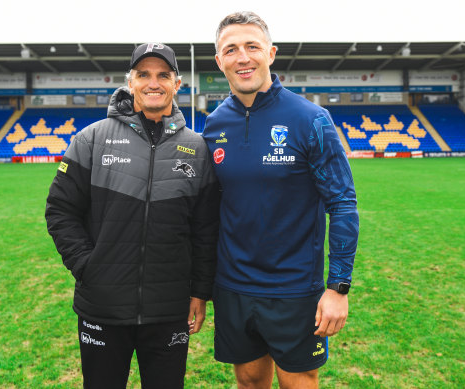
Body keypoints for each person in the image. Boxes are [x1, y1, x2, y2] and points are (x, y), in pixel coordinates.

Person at [45, 43, 220, 389]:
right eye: (144, 75)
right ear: (130, 82)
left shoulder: (198, 149)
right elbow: (60, 210)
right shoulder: (91, 139)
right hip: (102, 306)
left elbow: (205, 229)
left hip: (169, 310)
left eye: (162, 75)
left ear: (177, 84)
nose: (153, 83)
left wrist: (200, 291)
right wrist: (87, 265)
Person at [202, 12, 360, 389]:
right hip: (233, 286)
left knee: (298, 383)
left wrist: (338, 288)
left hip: (294, 289)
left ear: (271, 53)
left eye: (252, 47)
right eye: (231, 49)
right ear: (219, 61)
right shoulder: (214, 124)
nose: (243, 57)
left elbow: (342, 202)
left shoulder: (310, 119)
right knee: (250, 382)